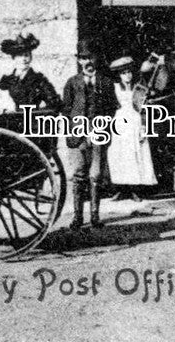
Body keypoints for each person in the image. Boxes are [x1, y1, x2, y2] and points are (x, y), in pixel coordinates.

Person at [61, 41, 119, 229]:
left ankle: (95, 216)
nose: (87, 62)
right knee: (78, 175)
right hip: (77, 137)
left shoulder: (106, 83)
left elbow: (112, 108)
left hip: (98, 135)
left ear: (96, 59)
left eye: (90, 57)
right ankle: (78, 217)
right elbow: (66, 109)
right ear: (78, 61)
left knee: (96, 175)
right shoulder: (72, 83)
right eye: (83, 58)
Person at [105, 55, 157, 201]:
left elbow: (143, 109)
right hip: (120, 123)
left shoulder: (139, 88)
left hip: (135, 123)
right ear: (118, 75)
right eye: (123, 73)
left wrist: (143, 127)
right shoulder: (114, 88)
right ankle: (121, 189)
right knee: (119, 155)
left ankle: (135, 190)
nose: (127, 76)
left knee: (135, 154)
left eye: (129, 72)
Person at [0, 32, 61, 111]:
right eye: (19, 55)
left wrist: (37, 113)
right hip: (10, 121)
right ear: (14, 58)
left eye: (26, 55)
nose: (24, 59)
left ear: (31, 57)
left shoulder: (39, 80)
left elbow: (55, 103)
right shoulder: (6, 81)